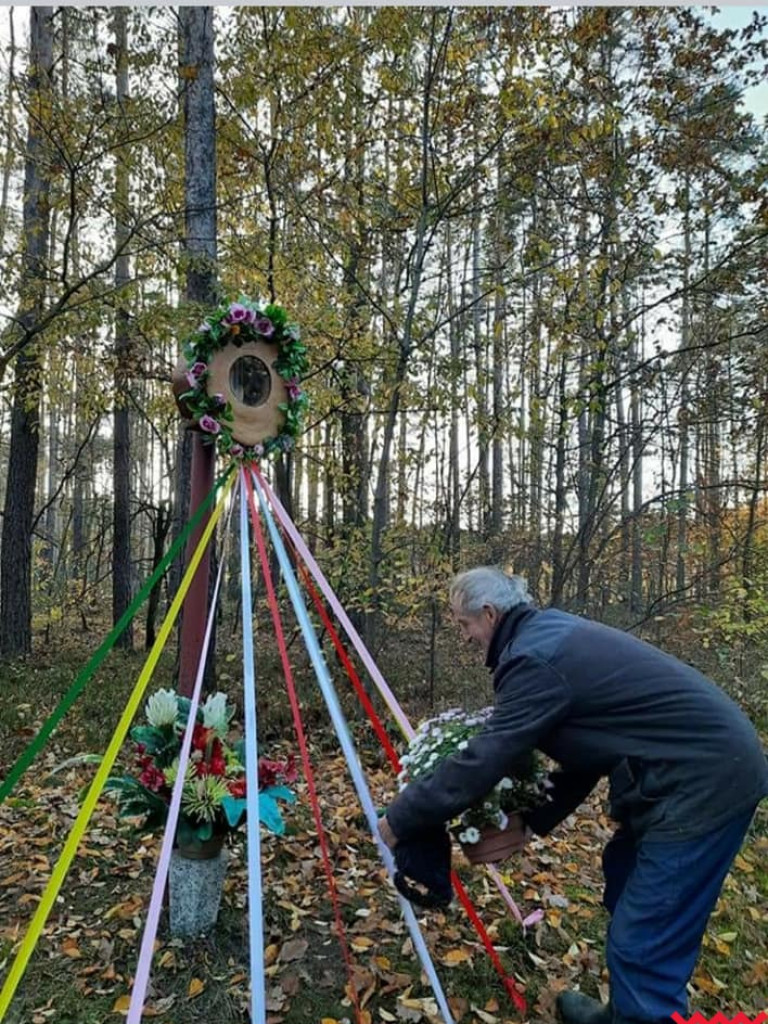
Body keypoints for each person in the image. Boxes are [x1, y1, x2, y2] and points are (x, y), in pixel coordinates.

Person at [378, 567, 768, 1024]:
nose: (464, 638)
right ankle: (624, 1012)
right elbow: (589, 751)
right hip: (684, 770)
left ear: (488, 613)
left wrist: (401, 818)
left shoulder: (533, 659)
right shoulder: (547, 636)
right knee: (626, 883)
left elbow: (488, 754)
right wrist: (530, 821)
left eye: (464, 625)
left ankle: (646, 1014)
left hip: (702, 781)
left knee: (647, 934)